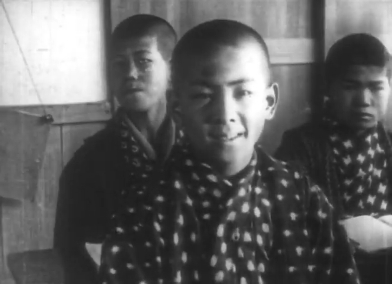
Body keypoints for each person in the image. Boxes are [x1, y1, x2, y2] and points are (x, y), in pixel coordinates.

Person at [99, 20, 359, 284]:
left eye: (243, 92)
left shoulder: (302, 197)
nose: (224, 114)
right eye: (203, 95)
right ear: (177, 108)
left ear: (268, 102)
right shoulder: (143, 208)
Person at [53, 14, 178, 284]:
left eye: (143, 61)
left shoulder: (201, 145)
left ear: (172, 73)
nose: (130, 73)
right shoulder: (86, 165)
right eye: (119, 64)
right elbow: (74, 259)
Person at [275, 33, 392, 284]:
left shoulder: (389, 142)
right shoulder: (300, 145)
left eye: (376, 86)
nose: (364, 100)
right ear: (329, 88)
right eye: (351, 87)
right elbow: (283, 220)